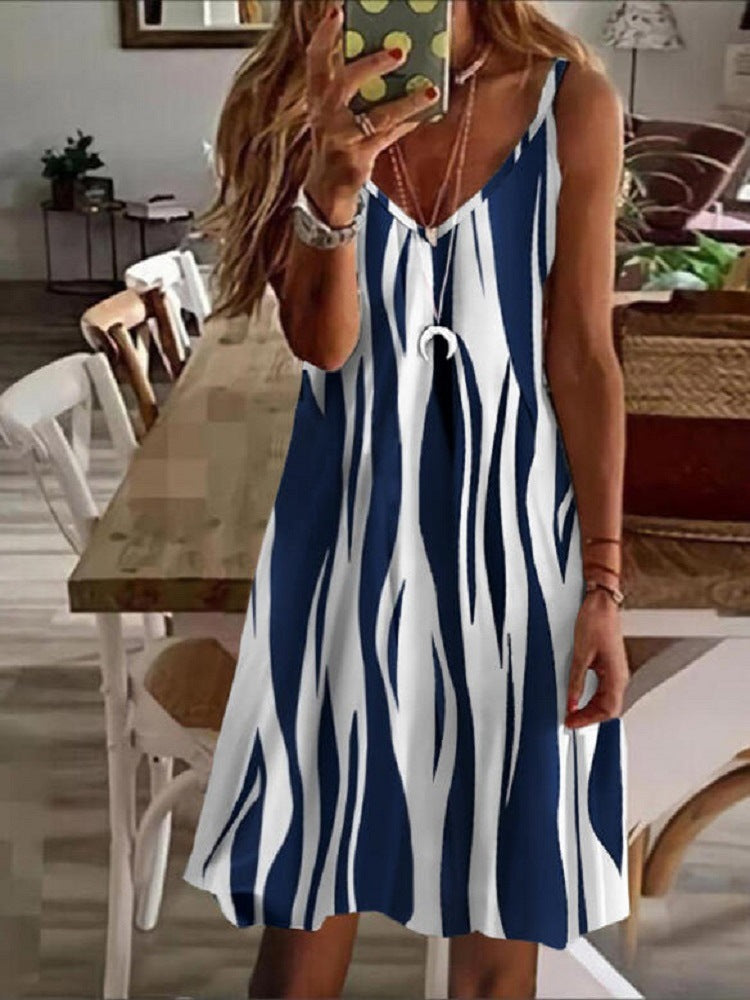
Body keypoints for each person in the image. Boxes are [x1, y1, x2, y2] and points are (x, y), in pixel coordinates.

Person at [183, 2, 631, 997]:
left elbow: (583, 355)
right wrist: (335, 176)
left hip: (516, 546)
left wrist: (602, 582)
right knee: (308, 898)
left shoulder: (570, 102)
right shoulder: (292, 100)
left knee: (501, 905)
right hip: (344, 537)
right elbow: (323, 345)